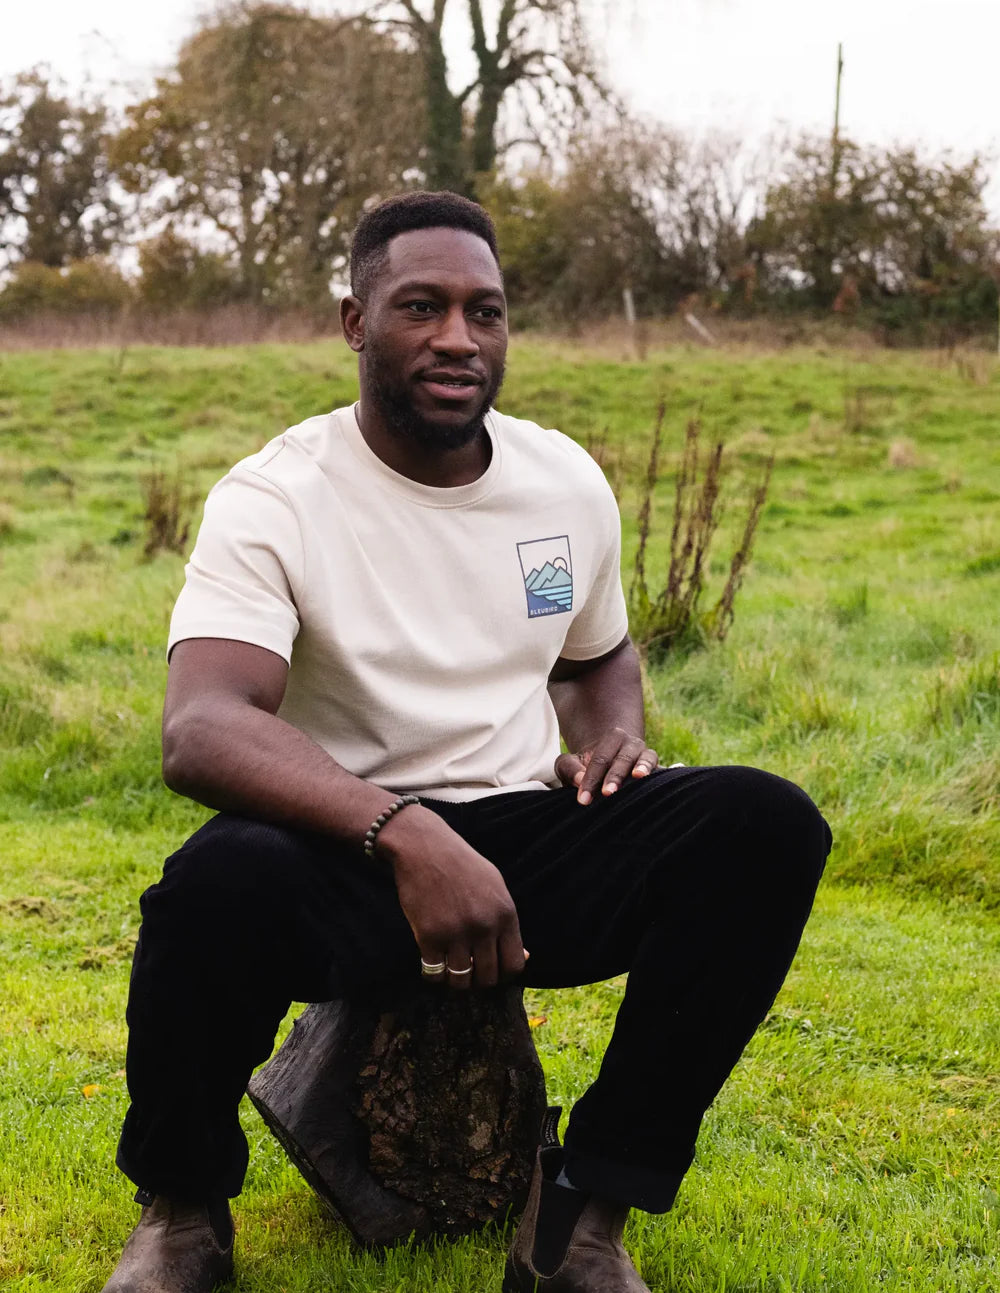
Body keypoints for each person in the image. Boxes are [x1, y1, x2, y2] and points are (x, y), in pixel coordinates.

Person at [101, 191, 831, 1293]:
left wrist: (614, 737)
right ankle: (181, 1211)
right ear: (355, 322)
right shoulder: (276, 495)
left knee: (763, 825)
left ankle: (583, 1213)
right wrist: (403, 835)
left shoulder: (561, 481)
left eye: (483, 312)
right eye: (421, 307)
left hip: (526, 840)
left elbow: (595, 659)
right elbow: (203, 725)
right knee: (211, 884)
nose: (457, 337)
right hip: (339, 848)